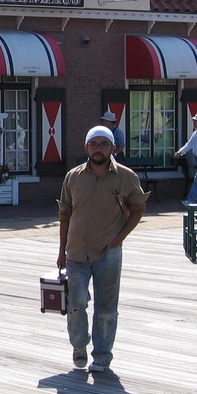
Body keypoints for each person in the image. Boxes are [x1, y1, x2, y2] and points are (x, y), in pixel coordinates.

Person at [57, 126, 148, 373]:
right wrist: (61, 250)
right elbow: (64, 214)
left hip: (108, 252)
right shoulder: (73, 177)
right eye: (94, 144)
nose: (98, 149)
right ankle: (79, 345)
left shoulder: (126, 177)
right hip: (76, 251)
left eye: (104, 144)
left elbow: (138, 208)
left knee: (106, 307)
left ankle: (102, 355)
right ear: (86, 147)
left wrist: (119, 238)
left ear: (113, 148)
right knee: (76, 302)